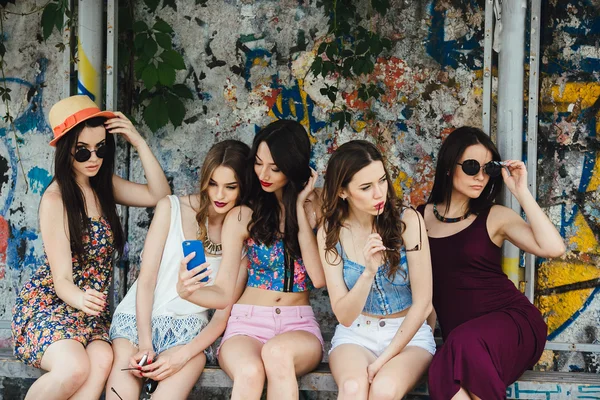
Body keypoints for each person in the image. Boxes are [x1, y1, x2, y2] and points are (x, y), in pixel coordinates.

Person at [11, 95, 171, 400]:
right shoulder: (55, 199)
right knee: (74, 368)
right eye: (82, 152)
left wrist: (138, 142)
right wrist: (81, 299)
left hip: (91, 313)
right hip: (53, 306)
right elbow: (61, 281)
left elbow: (160, 195)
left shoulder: (103, 185)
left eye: (101, 148)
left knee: (102, 360)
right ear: (64, 150)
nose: (94, 159)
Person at [177, 119, 325, 400]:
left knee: (277, 354)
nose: (263, 174)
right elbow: (222, 292)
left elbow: (318, 279)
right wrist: (189, 293)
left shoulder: (316, 205)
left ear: (294, 167)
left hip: (299, 325)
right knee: (250, 372)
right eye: (258, 163)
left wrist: (299, 211)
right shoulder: (244, 215)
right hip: (247, 324)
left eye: (275, 167)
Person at [418, 126, 565, 400]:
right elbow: (421, 287)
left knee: (461, 344)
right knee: (441, 371)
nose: (481, 176)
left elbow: (553, 248)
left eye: (489, 168)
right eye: (472, 167)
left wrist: (521, 191)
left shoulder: (495, 216)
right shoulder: (418, 218)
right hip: (463, 341)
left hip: (512, 323)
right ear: (449, 167)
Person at [105, 140, 251, 400]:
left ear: (244, 187)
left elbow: (221, 316)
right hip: (137, 323)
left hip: (189, 335)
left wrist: (183, 355)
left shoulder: (242, 231)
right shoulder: (171, 208)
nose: (219, 195)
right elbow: (146, 280)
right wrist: (146, 342)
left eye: (231, 187)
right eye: (213, 183)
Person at [318, 140, 435, 399]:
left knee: (383, 388)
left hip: (408, 334)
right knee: (352, 388)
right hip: (356, 333)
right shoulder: (330, 232)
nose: (379, 193)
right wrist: (368, 272)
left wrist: (384, 360)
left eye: (382, 181)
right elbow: (344, 316)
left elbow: (424, 304)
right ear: (342, 192)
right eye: (366, 187)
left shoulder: (408, 221)